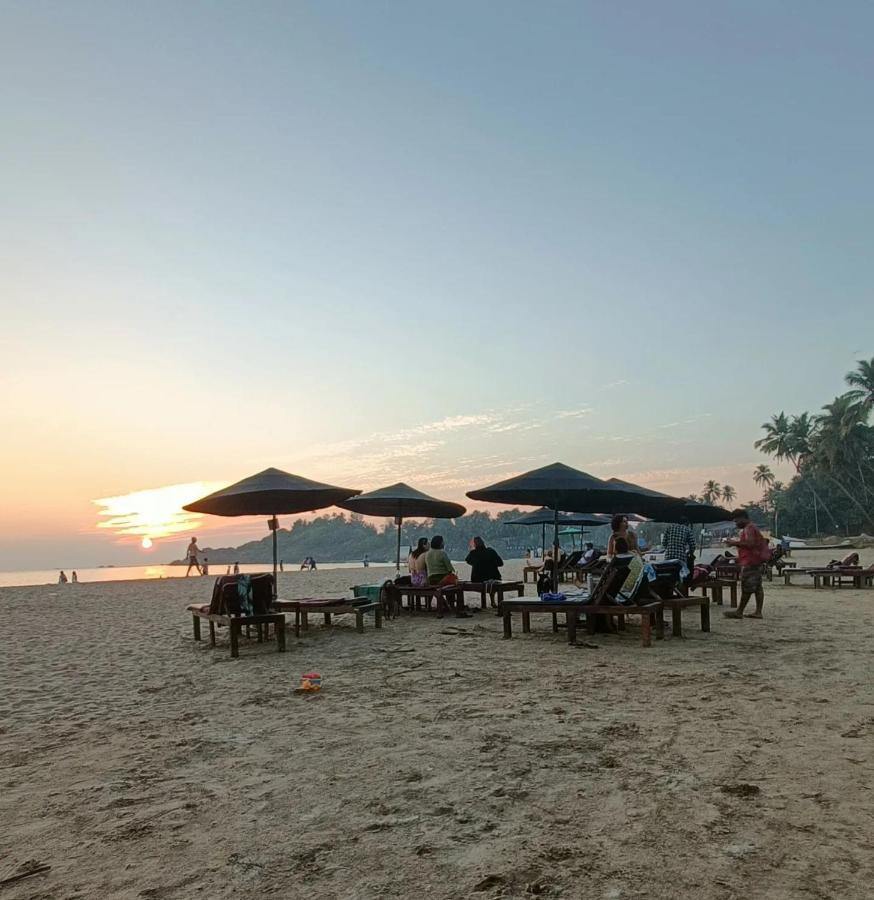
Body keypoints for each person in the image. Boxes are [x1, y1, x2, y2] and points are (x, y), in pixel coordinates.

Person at [723, 509, 768, 619]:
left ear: (742, 518)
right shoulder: (752, 527)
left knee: (746, 587)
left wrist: (734, 543)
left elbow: (750, 544)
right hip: (756, 561)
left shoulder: (749, 528)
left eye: (736, 521)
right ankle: (758, 612)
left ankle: (739, 611)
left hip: (750, 563)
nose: (736, 523)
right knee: (757, 587)